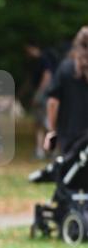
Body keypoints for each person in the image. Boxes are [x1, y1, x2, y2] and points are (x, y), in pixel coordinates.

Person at [44, 26, 88, 157]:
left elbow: (53, 103)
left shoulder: (66, 68)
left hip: (70, 136)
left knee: (70, 168)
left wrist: (52, 131)